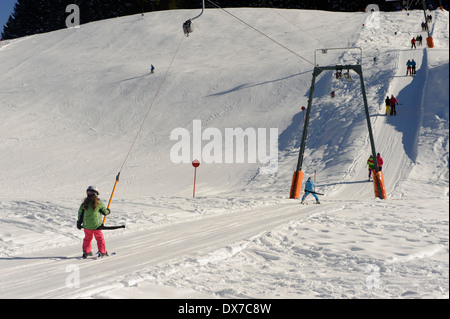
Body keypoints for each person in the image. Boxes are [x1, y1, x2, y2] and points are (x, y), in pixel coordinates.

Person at [77, 186, 110, 258]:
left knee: (87, 238)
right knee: (99, 238)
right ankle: (102, 252)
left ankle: (86, 252)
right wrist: (108, 211)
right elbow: (105, 212)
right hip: (97, 226)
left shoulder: (84, 204)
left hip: (87, 226)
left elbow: (80, 214)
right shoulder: (99, 203)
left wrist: (79, 222)